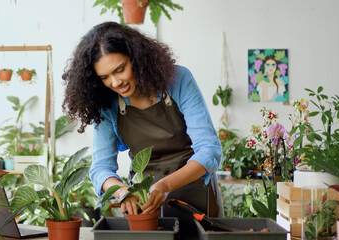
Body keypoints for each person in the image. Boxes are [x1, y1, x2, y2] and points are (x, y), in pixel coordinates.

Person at [62, 22, 223, 218]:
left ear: (137, 58)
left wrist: (164, 185)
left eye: (120, 69)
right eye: (105, 77)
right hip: (144, 204)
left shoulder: (179, 80)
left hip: (195, 195)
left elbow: (209, 149)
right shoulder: (105, 102)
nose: (115, 82)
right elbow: (101, 169)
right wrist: (123, 191)